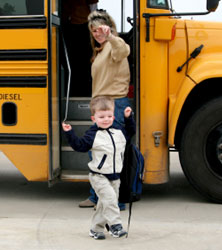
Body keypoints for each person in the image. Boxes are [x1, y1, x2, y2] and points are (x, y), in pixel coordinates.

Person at [62, 96, 136, 239]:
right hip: (99, 176)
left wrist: (128, 118)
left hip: (115, 176)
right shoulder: (92, 134)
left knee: (104, 205)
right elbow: (80, 146)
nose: (106, 119)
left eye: (109, 116)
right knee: (110, 200)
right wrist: (69, 133)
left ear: (114, 116)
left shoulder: (118, 130)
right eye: (101, 116)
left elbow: (130, 133)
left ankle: (96, 229)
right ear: (93, 118)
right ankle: (115, 225)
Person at [79, 10, 131, 210]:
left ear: (108, 28)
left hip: (115, 106)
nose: (96, 33)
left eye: (99, 30)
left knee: (111, 155)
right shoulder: (101, 51)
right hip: (103, 106)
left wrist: (110, 36)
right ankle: (97, 196)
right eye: (93, 31)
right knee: (99, 155)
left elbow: (124, 50)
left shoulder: (114, 45)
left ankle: (115, 200)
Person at [61, 0, 98, 96]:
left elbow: (93, 5)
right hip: (71, 26)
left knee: (82, 64)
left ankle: (81, 93)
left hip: (81, 27)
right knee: (75, 63)